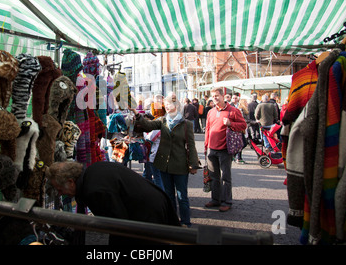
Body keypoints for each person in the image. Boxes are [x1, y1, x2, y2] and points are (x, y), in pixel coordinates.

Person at [48, 161, 181, 245]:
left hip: (148, 212)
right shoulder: (92, 171)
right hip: (152, 202)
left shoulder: (93, 191)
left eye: (60, 189)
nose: (60, 193)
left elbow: (119, 226)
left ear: (71, 182)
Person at [130, 93, 200, 227]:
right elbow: (148, 125)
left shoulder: (186, 124)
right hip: (164, 164)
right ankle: (172, 221)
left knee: (182, 196)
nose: (167, 106)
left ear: (177, 105)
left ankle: (186, 222)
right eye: (166, 104)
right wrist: (137, 114)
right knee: (168, 195)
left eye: (170, 103)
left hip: (180, 165)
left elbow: (190, 145)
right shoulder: (163, 120)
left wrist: (193, 164)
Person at [204, 87, 247, 212]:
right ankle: (215, 199)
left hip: (225, 149)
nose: (215, 98)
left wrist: (230, 123)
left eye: (217, 95)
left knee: (225, 177)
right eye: (213, 96)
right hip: (212, 149)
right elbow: (208, 129)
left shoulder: (233, 111)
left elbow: (243, 125)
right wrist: (206, 146)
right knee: (214, 176)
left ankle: (227, 201)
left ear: (223, 96)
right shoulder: (211, 112)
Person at [234, 98, 250, 164]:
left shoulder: (244, 109)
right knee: (243, 143)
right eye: (246, 102)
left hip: (243, 128)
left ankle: (237, 157)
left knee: (242, 143)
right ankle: (237, 157)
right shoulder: (241, 109)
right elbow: (242, 120)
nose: (247, 103)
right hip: (241, 129)